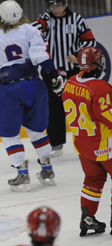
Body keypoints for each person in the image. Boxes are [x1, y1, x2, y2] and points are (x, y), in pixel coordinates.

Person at [0, 1, 64, 192]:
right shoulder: (29, 29)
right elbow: (40, 55)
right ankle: (47, 169)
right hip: (35, 84)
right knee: (37, 131)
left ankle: (21, 172)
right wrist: (51, 75)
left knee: (10, 135)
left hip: (10, 87)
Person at [32, 0, 96, 157]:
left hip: (73, 70)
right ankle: (56, 143)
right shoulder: (46, 18)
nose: (54, 9)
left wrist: (77, 54)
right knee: (53, 106)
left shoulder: (77, 19)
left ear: (65, 4)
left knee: (79, 104)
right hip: (51, 70)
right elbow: (34, 29)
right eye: (51, 6)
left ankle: (89, 139)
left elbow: (89, 40)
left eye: (57, 5)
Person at [61, 47, 112, 237]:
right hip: (105, 144)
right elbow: (109, 117)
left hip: (83, 145)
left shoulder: (70, 83)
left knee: (93, 180)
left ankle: (88, 218)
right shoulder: (100, 87)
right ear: (96, 64)